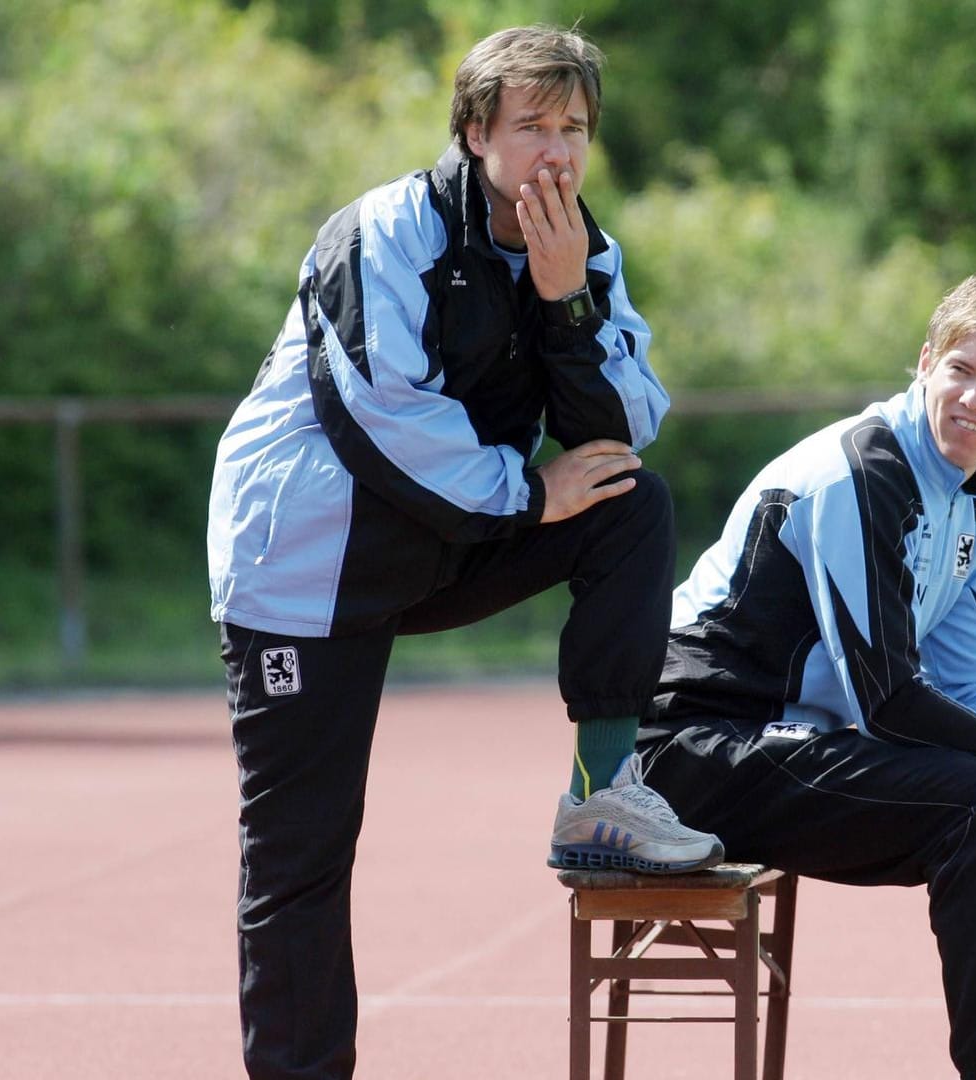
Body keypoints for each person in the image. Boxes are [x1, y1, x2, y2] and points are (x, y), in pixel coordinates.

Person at [205, 25, 721, 1080]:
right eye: (532, 125)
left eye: (574, 127)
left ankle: (602, 793)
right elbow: (383, 418)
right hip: (306, 561)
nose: (557, 152)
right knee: (304, 854)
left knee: (630, 503)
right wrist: (529, 493)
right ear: (476, 130)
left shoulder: (585, 247)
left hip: (455, 529)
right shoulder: (381, 233)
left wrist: (564, 295)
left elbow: (626, 421)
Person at [637, 273, 976, 1079]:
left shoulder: (967, 504)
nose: (975, 398)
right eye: (961, 369)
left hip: (795, 746)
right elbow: (888, 703)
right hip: (694, 753)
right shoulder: (864, 475)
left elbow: (971, 689)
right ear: (924, 362)